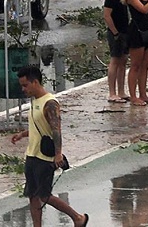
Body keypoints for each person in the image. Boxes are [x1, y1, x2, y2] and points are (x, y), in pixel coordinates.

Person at [9, 65, 89, 227]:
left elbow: (56, 130)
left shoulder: (50, 103)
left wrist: (58, 154)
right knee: (32, 194)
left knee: (44, 195)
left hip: (45, 157)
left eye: (25, 85)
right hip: (32, 155)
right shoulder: (35, 102)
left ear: (35, 82)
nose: (23, 89)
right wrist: (22, 135)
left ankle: (77, 218)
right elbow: (37, 127)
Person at [103, 0, 130, 103]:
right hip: (116, 33)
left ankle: (121, 91)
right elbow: (107, 16)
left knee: (123, 61)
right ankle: (112, 93)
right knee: (114, 61)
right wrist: (115, 33)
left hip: (125, 31)